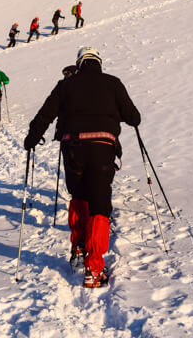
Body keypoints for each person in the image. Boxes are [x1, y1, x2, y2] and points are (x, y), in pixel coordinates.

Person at [24, 46, 141, 288]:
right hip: (102, 147)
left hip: (74, 148)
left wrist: (32, 138)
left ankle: (78, 248)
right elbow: (134, 117)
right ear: (98, 62)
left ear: (79, 64)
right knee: (99, 204)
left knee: (79, 195)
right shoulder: (113, 83)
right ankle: (94, 270)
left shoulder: (66, 85)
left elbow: (45, 114)